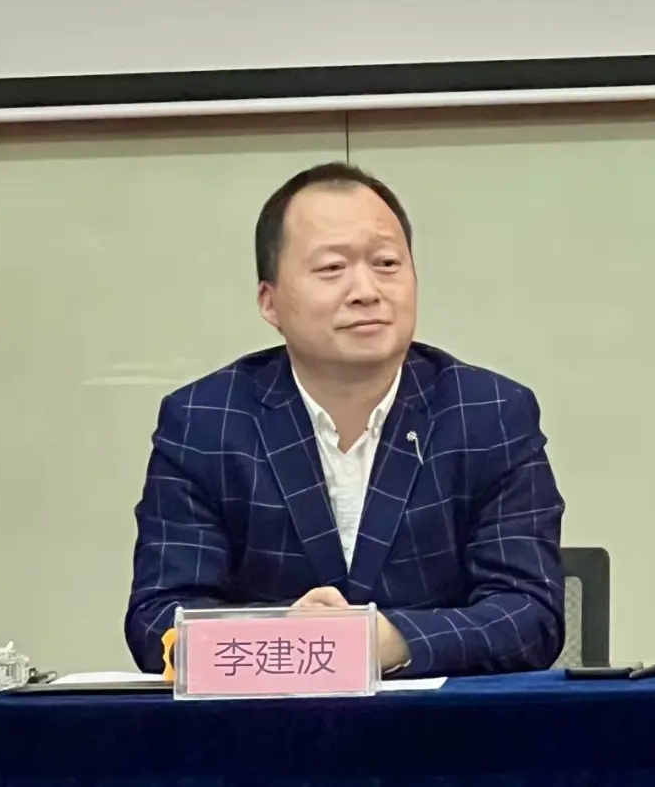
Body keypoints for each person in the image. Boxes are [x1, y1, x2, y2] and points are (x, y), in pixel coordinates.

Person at [125, 162, 565, 677]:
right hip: (264, 721)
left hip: (444, 721)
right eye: (332, 268)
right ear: (270, 302)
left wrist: (389, 641)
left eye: (387, 263)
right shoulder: (205, 422)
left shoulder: (489, 413)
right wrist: (285, 638)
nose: (366, 290)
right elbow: (159, 619)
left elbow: (529, 613)